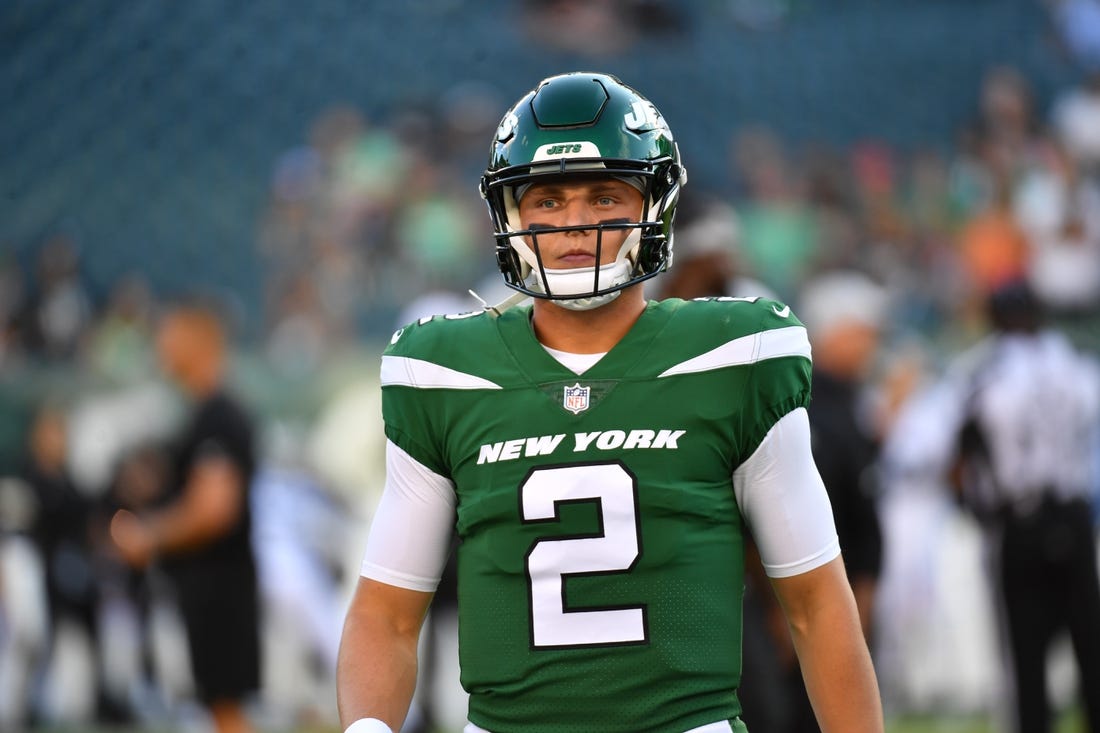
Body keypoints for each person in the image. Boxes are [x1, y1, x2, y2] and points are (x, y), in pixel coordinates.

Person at [336, 71, 883, 733]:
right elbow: (387, 613)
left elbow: (816, 600)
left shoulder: (733, 357)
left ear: (654, 204)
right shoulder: (447, 373)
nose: (575, 223)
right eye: (548, 200)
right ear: (510, 214)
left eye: (603, 195)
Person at [947, 280, 1100, 733]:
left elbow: (945, 447)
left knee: (1025, 653)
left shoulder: (983, 371)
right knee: (1089, 643)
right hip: (1073, 515)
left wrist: (974, 502)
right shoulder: (1079, 367)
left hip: (1020, 521)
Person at [109, 302, 261, 733]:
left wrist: (149, 535)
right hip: (209, 584)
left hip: (219, 586)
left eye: (170, 334)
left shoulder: (218, 414)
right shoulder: (201, 413)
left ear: (198, 341)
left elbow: (213, 509)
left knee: (225, 710)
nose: (162, 345)